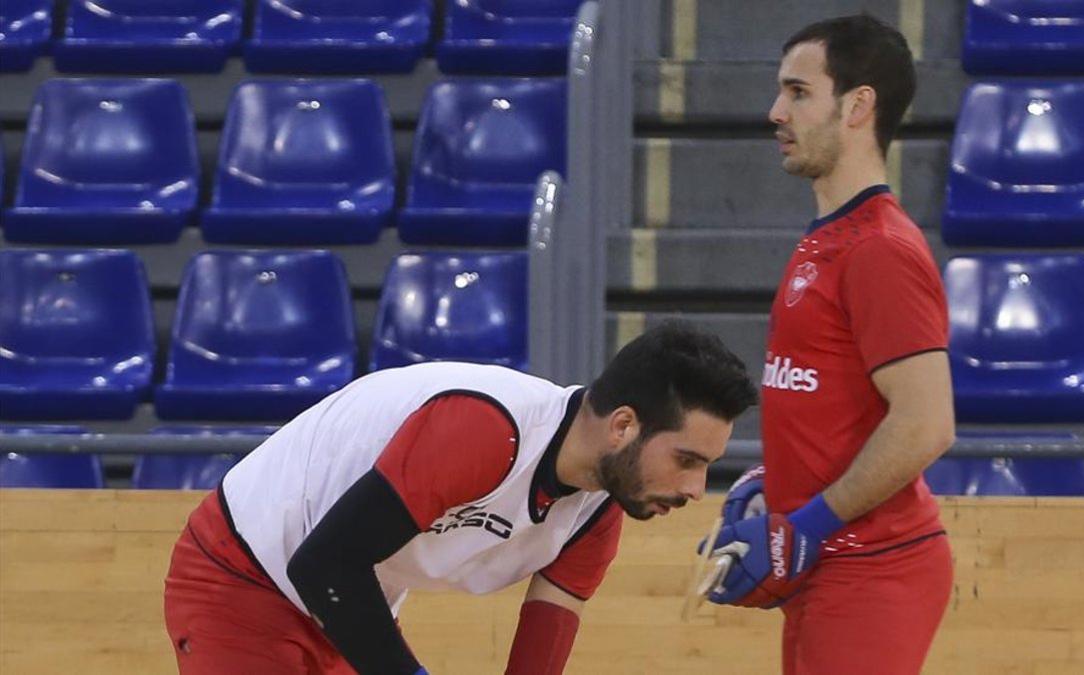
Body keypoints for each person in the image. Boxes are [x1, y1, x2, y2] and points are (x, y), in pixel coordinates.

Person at [163, 321, 757, 675]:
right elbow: (323, 563)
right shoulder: (485, 429)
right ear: (623, 426)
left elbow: (539, 649)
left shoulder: (597, 508)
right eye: (687, 460)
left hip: (342, 601)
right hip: (240, 573)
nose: (694, 490)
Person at [704, 14, 957, 675]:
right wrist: (778, 482)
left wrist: (807, 522)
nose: (775, 112)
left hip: (871, 567)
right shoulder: (828, 238)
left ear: (858, 105)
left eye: (798, 92)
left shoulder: (878, 248)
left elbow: (926, 423)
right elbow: (833, 401)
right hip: (833, 568)